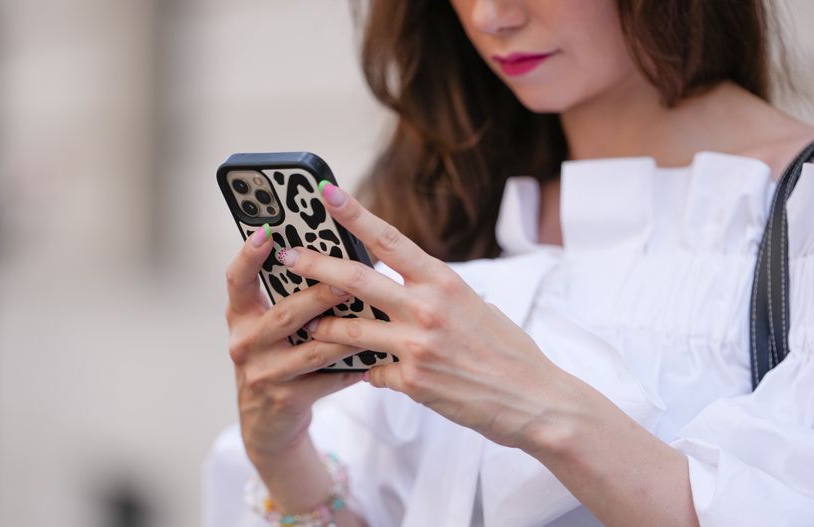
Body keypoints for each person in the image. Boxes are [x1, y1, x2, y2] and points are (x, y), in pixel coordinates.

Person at [204, 0, 814, 525]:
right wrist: (280, 454)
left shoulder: (791, 216)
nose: (491, 17)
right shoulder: (445, 213)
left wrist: (539, 406)